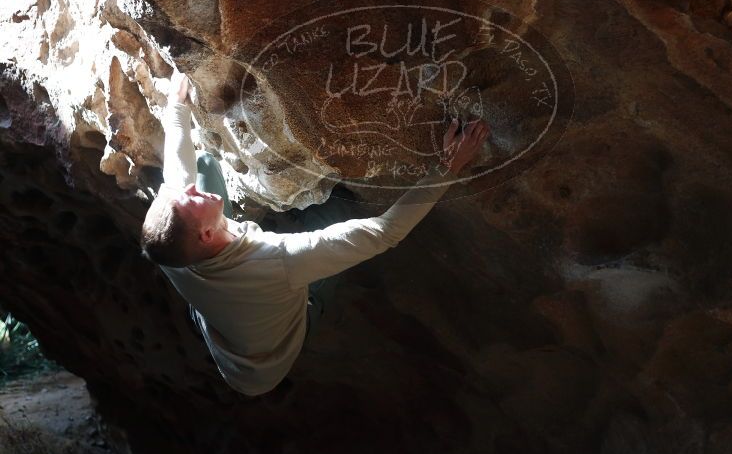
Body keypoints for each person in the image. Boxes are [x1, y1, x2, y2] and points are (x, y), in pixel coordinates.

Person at [140, 70, 490, 396]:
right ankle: (306, 305)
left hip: (220, 318)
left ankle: (212, 311)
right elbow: (384, 233)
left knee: (203, 165)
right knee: (340, 208)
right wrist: (448, 166)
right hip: (261, 369)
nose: (188, 190)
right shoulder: (277, 260)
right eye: (191, 199)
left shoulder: (171, 249)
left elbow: (179, 168)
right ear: (205, 236)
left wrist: (177, 102)